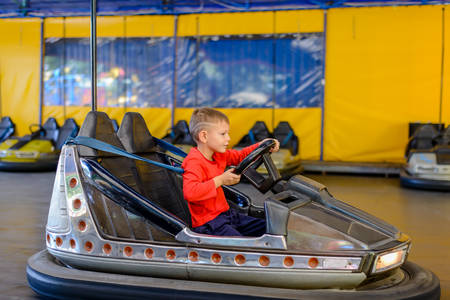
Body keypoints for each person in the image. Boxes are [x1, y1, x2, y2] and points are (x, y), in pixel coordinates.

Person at [182, 108, 279, 237]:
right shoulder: (194, 162)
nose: (228, 138)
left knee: (270, 228)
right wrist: (220, 180)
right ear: (204, 136)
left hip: (227, 215)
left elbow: (240, 156)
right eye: (223, 134)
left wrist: (261, 145)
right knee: (242, 244)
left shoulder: (218, 155)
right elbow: (190, 193)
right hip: (209, 224)